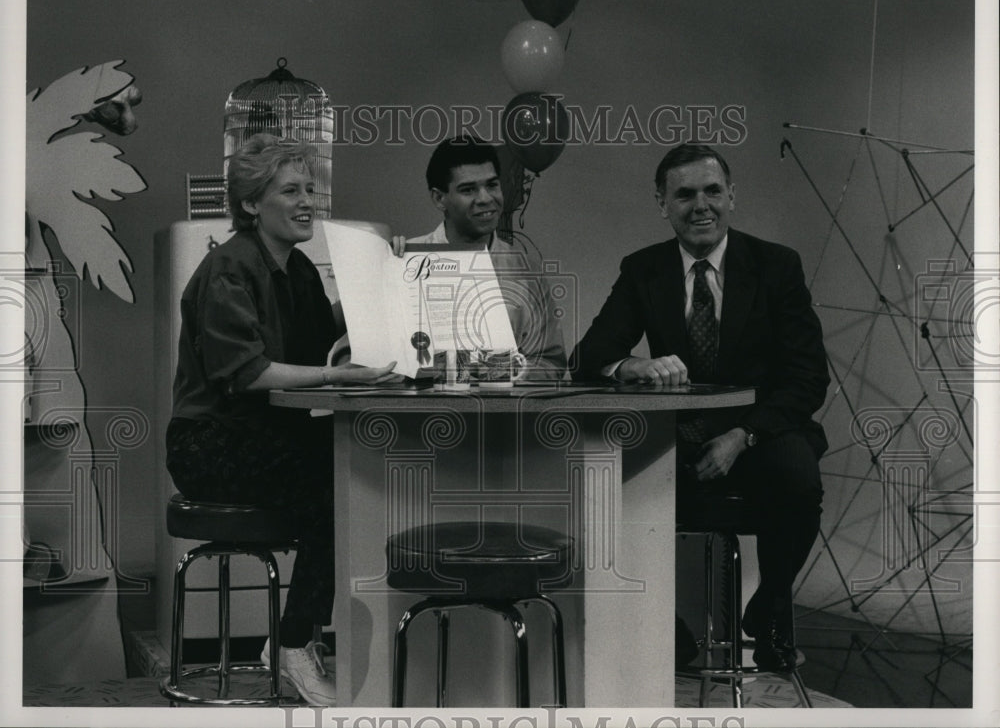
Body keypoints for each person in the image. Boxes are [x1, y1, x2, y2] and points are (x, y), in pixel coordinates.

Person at [571, 143, 829, 672]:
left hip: (761, 431)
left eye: (712, 190)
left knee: (799, 478)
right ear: (661, 203)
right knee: (603, 478)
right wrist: (629, 366)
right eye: (684, 194)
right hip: (678, 434)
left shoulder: (777, 266)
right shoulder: (643, 269)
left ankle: (771, 609)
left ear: (732, 195)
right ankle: (667, 628)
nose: (700, 205)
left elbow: (807, 379)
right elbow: (588, 356)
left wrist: (742, 436)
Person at [165, 133, 397, 705]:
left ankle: (295, 640)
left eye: (310, 190)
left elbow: (318, 340)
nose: (308, 202)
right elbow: (247, 373)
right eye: (290, 190)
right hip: (208, 443)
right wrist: (331, 379)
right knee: (335, 484)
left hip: (268, 434)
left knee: (360, 465)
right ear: (250, 205)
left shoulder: (299, 272)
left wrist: (384, 285)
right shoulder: (228, 268)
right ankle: (294, 644)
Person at [391, 136, 567, 380]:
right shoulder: (400, 261)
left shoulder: (526, 269)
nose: (485, 198)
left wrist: (514, 372)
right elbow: (354, 359)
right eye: (468, 189)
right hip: (413, 416)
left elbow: (552, 364)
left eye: (492, 185)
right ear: (439, 198)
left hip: (500, 416)